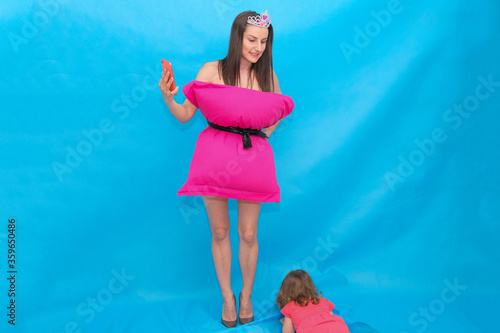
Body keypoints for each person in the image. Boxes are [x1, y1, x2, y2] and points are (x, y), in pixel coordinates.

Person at [158, 10, 294, 328]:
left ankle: (246, 296)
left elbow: (275, 114)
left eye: (263, 41)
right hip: (214, 158)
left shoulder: (268, 77)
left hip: (251, 160)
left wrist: (259, 138)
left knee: (248, 234)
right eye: (251, 40)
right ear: (237, 38)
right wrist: (167, 95)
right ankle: (227, 297)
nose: (257, 47)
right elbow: (183, 115)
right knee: (219, 232)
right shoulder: (211, 70)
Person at [276, 270, 351, 333]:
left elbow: (288, 332)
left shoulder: (290, 307)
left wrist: (287, 323)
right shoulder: (323, 301)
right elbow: (331, 318)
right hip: (338, 328)